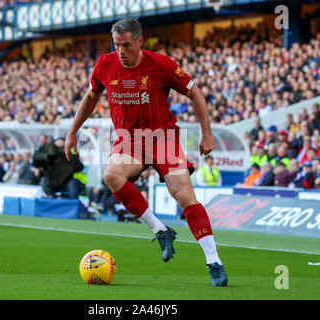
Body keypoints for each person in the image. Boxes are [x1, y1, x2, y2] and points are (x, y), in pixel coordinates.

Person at [64, 18, 227, 286]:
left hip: (163, 138)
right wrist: (73, 131)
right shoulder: (105, 64)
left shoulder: (161, 64)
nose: (121, 51)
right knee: (111, 175)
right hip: (130, 140)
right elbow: (91, 96)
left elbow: (195, 92)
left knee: (184, 194)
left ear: (140, 41)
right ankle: (161, 230)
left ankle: (214, 261)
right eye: (117, 45)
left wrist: (206, 133)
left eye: (126, 45)